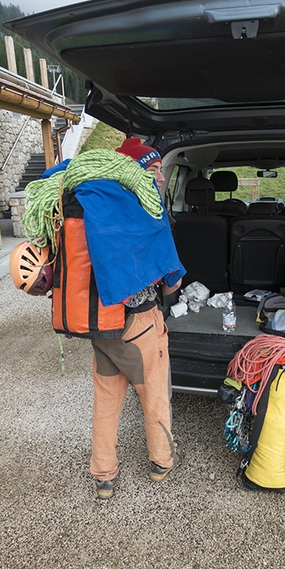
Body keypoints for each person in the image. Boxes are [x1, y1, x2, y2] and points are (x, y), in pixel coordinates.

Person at [85, 138, 184, 499]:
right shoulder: (142, 211)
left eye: (161, 169)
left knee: (106, 402)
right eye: (152, 169)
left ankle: (104, 476)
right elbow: (172, 277)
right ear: (134, 172)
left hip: (100, 325)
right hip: (140, 325)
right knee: (154, 395)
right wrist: (169, 294)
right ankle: (161, 461)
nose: (159, 177)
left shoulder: (98, 205)